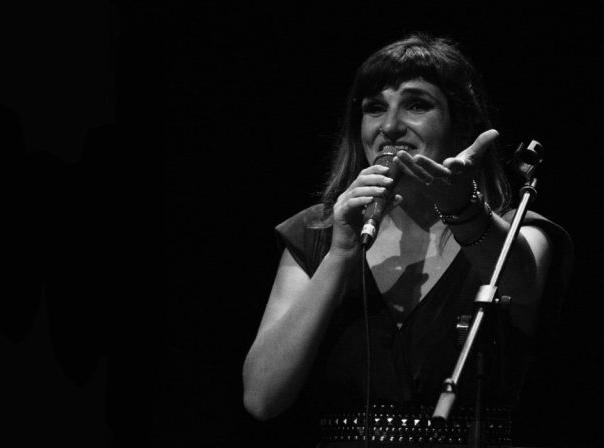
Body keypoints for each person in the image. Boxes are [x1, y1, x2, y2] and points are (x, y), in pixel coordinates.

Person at [243, 33, 572, 447]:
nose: (390, 126)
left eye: (417, 105)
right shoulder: (316, 234)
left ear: (461, 124)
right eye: (374, 108)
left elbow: (520, 283)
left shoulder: (518, 229)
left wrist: (463, 209)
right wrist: (340, 253)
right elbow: (262, 398)